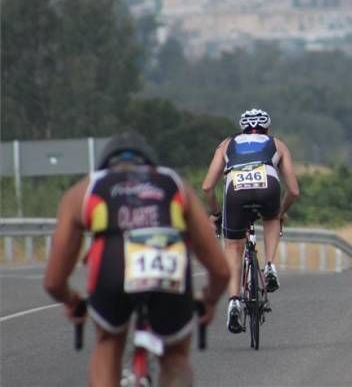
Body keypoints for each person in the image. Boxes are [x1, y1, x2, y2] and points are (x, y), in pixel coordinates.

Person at [43, 132, 230, 387]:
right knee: (175, 354)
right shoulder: (172, 182)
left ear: (104, 165)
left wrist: (73, 301)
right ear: (151, 165)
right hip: (167, 261)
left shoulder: (86, 188)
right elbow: (220, 270)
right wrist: (208, 299)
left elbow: (54, 281)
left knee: (108, 341)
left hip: (112, 263)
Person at [202, 108, 300, 334]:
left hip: (235, 189)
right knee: (271, 217)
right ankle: (270, 266)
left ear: (242, 128)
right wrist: (281, 212)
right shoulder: (277, 144)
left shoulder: (227, 144)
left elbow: (207, 186)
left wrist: (217, 214)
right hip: (268, 183)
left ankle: (234, 301)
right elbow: (293, 190)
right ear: (267, 128)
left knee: (233, 247)